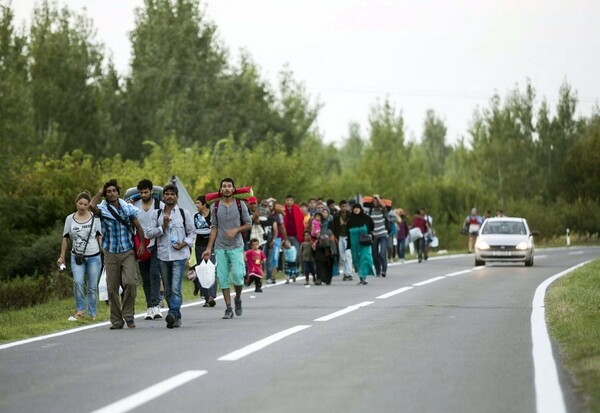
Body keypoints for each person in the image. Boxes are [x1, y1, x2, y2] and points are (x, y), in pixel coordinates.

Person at [90, 179, 146, 329]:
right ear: (106, 195)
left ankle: (128, 315)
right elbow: (91, 206)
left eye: (114, 191)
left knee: (131, 282)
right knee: (112, 288)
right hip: (111, 252)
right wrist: (100, 192)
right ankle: (116, 320)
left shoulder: (127, 208)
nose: (112, 193)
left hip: (128, 250)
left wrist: (141, 244)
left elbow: (139, 227)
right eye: (109, 192)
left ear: (118, 192)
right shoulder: (103, 209)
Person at [202, 178, 252, 319]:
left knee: (237, 276)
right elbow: (214, 228)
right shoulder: (215, 206)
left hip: (236, 246)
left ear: (233, 189)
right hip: (220, 247)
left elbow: (248, 224)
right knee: (222, 278)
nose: (227, 188)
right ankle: (228, 308)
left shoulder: (240, 204)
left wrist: (236, 229)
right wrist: (208, 248)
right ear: (220, 190)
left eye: (229, 186)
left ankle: (237, 298)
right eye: (224, 186)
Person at [146, 184, 195, 328]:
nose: (169, 196)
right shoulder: (156, 214)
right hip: (163, 256)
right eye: (166, 194)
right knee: (167, 288)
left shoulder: (184, 213)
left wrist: (184, 243)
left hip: (179, 255)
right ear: (163, 197)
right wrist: (163, 227)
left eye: (172, 194)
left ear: (177, 197)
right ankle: (176, 316)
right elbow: (149, 233)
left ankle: (172, 313)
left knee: (175, 287)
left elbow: (192, 233)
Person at [58, 191, 103, 321]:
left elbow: (99, 236)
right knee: (78, 282)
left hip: (94, 256)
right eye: (80, 203)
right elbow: (65, 238)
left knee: (93, 286)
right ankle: (80, 310)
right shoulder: (69, 219)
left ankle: (92, 313)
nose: (82, 206)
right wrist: (61, 257)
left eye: (85, 204)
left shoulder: (95, 218)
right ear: (76, 203)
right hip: (77, 256)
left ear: (89, 205)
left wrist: (104, 251)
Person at [132, 179, 163, 321]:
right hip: (140, 246)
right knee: (145, 278)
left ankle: (156, 305)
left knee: (154, 274)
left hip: (156, 244)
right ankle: (149, 306)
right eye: (141, 192)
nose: (144, 195)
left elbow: (164, 225)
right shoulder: (134, 206)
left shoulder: (159, 205)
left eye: (146, 192)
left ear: (151, 191)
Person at [193, 195, 217, 307]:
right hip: (199, 245)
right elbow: (197, 229)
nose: (196, 205)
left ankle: (212, 295)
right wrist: (209, 230)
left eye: (198, 203)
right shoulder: (196, 216)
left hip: (212, 246)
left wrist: (210, 231)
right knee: (202, 270)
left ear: (204, 204)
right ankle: (206, 298)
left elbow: (215, 229)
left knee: (211, 269)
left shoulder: (213, 216)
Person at [347, 203, 375, 285]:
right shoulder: (350, 220)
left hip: (365, 242)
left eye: (357, 208)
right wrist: (348, 245)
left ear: (360, 209)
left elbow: (372, 226)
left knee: (365, 258)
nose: (356, 209)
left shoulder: (366, 218)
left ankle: (364, 277)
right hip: (354, 244)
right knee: (357, 260)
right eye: (354, 208)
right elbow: (347, 233)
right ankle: (361, 277)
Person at [331, 200, 354, 281]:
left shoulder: (350, 215)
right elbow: (334, 227)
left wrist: (344, 223)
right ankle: (345, 273)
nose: (344, 208)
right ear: (340, 207)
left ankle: (349, 273)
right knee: (342, 256)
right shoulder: (336, 215)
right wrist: (335, 236)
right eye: (342, 206)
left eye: (345, 206)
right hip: (340, 237)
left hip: (348, 237)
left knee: (348, 255)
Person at [367, 195, 389, 277]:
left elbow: (384, 206)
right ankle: (378, 270)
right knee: (374, 254)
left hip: (383, 234)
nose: (375, 203)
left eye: (377, 201)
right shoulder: (370, 211)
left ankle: (384, 269)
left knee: (382, 253)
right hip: (374, 235)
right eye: (374, 201)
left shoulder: (382, 210)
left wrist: (378, 197)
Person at [283, 194, 305, 260]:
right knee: (286, 253)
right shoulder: (282, 209)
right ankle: (288, 268)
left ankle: (296, 267)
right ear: (285, 201)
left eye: (291, 200)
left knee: (297, 253)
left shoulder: (297, 208)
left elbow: (301, 219)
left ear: (293, 201)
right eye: (287, 200)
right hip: (286, 236)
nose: (289, 201)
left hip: (295, 235)